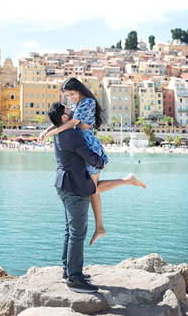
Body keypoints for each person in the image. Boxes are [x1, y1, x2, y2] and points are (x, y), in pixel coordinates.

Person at [48, 102, 146, 294]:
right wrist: (102, 162)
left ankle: (68, 272)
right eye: (69, 110)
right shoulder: (73, 134)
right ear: (65, 118)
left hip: (65, 185)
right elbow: (92, 158)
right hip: (75, 188)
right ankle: (74, 280)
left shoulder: (59, 133)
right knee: (77, 234)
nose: (73, 110)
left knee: (71, 232)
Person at [40, 77, 146, 246]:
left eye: (72, 94)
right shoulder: (75, 105)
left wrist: (52, 134)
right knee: (93, 190)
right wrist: (47, 130)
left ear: (79, 89)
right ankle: (100, 228)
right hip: (82, 147)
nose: (71, 98)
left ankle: (128, 180)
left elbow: (73, 122)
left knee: (93, 189)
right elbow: (64, 120)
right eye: (68, 96)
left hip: (89, 147)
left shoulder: (88, 102)